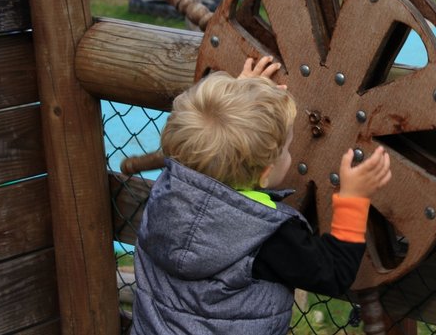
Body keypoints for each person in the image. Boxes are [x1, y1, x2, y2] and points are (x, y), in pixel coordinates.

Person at [131, 56, 392, 334]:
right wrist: (353, 199)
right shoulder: (266, 237)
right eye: (288, 149)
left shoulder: (167, 191)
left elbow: (206, 142)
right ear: (265, 174)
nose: (290, 154)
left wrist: (241, 97)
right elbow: (333, 273)